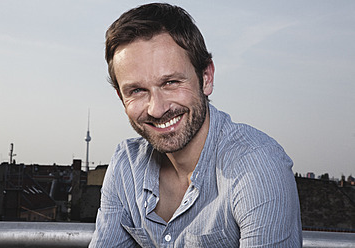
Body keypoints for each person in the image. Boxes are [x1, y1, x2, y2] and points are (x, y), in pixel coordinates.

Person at [89, 3, 302, 247]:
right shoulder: (126, 165)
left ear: (206, 78)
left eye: (170, 82)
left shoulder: (257, 166)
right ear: (121, 97)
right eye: (137, 90)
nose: (156, 109)